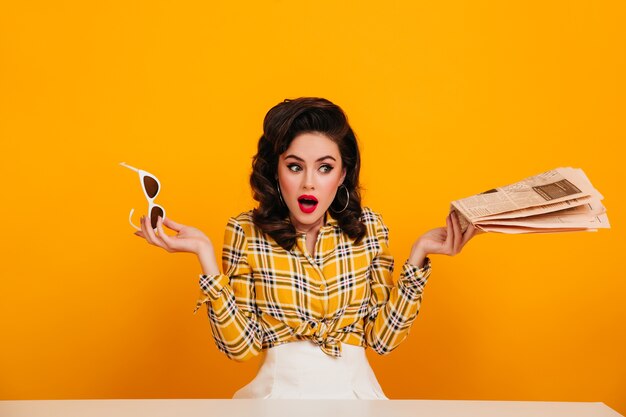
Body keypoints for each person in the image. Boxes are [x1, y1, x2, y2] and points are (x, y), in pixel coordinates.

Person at [133, 97, 481, 399]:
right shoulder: (245, 231)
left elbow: (382, 341)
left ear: (343, 174)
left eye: (325, 167)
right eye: (295, 166)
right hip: (277, 396)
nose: (309, 182)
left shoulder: (369, 228)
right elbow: (240, 348)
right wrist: (205, 257)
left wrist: (419, 256)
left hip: (356, 395)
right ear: (277, 170)